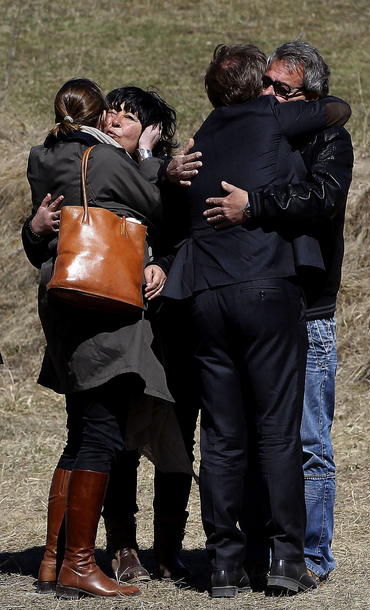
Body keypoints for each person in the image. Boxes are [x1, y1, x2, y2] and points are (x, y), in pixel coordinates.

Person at [161, 44, 349, 598]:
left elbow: (324, 191)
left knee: (222, 436)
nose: (272, 94)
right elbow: (339, 107)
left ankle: (224, 563)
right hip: (267, 290)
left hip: (206, 295)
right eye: (267, 84)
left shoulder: (204, 134)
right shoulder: (273, 118)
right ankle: (287, 559)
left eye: (282, 88)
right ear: (254, 86)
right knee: (277, 431)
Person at [22, 78, 172, 599]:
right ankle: (79, 565)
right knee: (102, 434)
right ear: (96, 115)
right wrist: (147, 157)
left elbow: (41, 235)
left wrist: (34, 229)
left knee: (79, 430)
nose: (116, 120)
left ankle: (53, 559)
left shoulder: (42, 156)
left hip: (60, 297)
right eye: (111, 111)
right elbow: (152, 201)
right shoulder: (105, 160)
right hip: (100, 299)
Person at [93, 86, 199, 585]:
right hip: (118, 325)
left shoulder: (173, 178)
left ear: (152, 131)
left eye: (129, 116)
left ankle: (168, 549)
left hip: (169, 326)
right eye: (111, 111)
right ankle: (123, 546)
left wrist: (164, 266)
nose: (115, 119)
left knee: (177, 435)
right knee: (121, 438)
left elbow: (186, 237)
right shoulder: (93, 167)